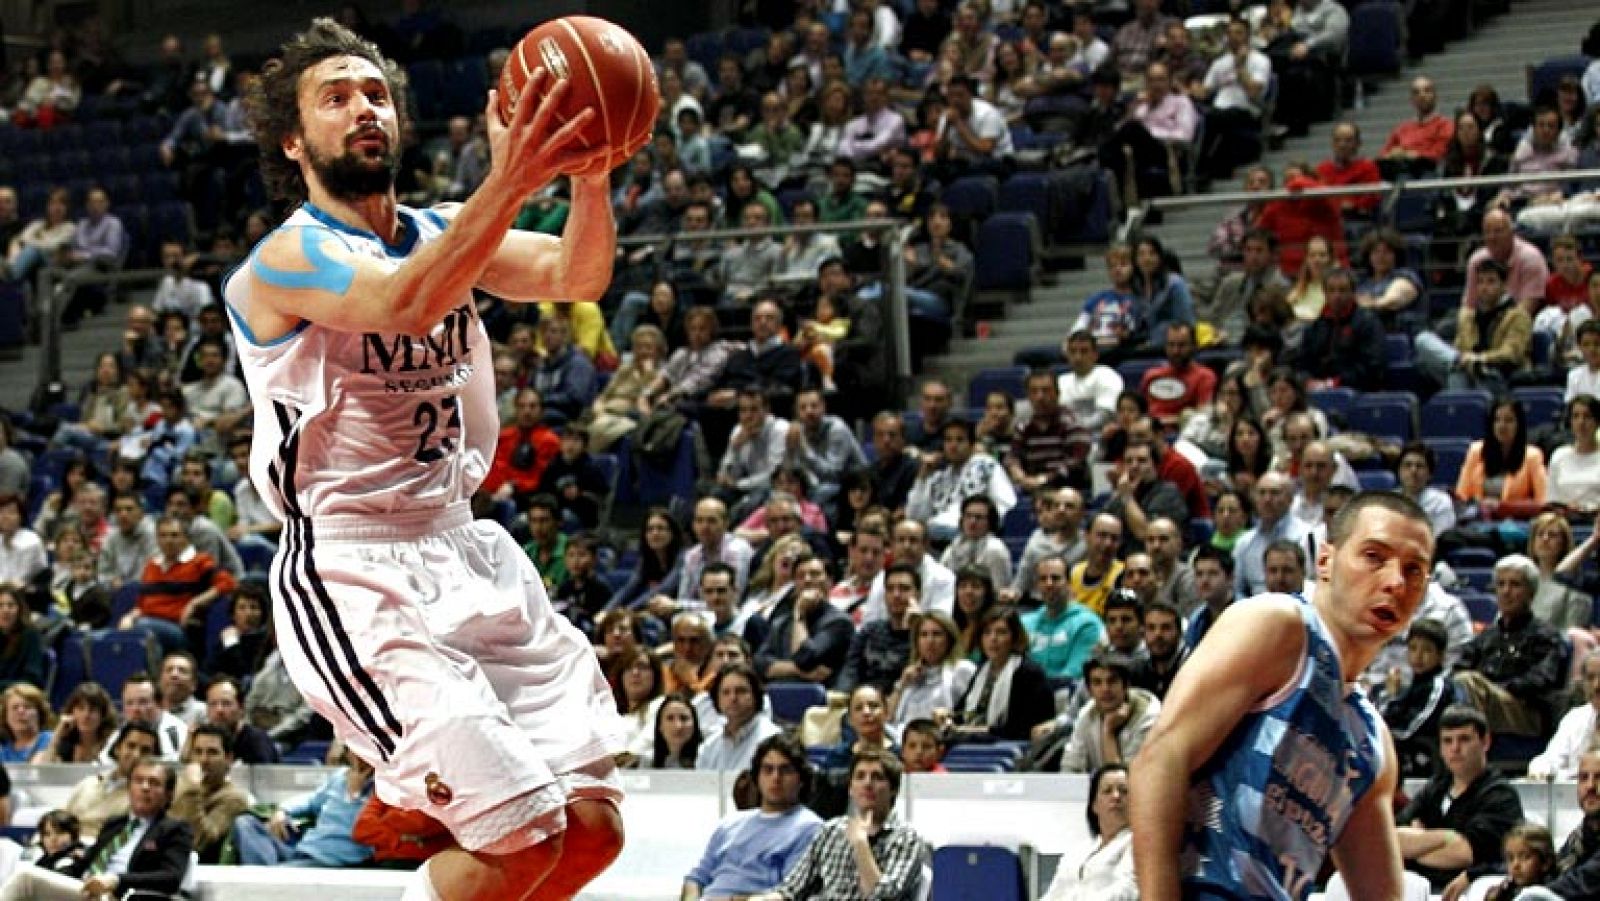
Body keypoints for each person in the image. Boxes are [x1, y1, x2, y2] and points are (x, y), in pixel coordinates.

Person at [225, 19, 629, 898]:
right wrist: (514, 178)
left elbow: (579, 274)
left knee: (591, 832)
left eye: (375, 93)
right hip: (354, 566)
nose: (363, 107)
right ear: (294, 141)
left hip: (462, 542)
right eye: (335, 97)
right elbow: (406, 302)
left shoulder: (447, 229)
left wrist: (589, 174)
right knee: (518, 840)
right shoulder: (284, 259)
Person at [1131, 492, 1437, 899]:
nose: (1396, 581)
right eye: (1374, 557)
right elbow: (1159, 758)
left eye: (1413, 570)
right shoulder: (1279, 625)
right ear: (1326, 561)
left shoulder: (1372, 744)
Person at [0, 757, 192, 901]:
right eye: (138, 781)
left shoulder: (174, 829)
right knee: (30, 876)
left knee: (25, 881)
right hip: (84, 888)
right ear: (129, 787)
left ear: (168, 794)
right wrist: (55, 872)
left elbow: (171, 877)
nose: (144, 787)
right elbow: (85, 863)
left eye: (154, 783)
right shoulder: (115, 824)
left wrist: (117, 879)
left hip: (121, 895)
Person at [748, 749, 928, 901]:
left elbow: (882, 897)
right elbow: (791, 890)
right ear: (850, 788)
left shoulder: (907, 839)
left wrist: (860, 844)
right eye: (860, 777)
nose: (867, 784)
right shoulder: (831, 830)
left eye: (877, 777)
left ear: (893, 789)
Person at [1396, 705, 1524, 889]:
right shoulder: (1435, 787)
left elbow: (1465, 854)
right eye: (1447, 741)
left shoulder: (1500, 795)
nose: (1455, 748)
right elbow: (1394, 839)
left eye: (1464, 739)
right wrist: (1449, 837)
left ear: (1485, 742)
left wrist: (1416, 844)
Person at [682, 734, 823, 900]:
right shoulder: (730, 824)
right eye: (768, 769)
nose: (775, 778)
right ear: (757, 776)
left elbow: (788, 892)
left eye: (785, 770)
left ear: (801, 779)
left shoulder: (810, 828)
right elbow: (696, 878)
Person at [231, 746, 375, 867]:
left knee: (267, 875)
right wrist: (282, 811)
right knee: (245, 823)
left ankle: (268, 881)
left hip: (330, 861)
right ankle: (269, 879)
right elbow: (311, 801)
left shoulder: (386, 787)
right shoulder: (340, 776)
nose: (359, 756)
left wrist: (353, 796)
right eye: (354, 749)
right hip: (304, 850)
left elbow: (362, 832)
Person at [1038, 763, 1137, 900]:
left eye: (1124, 791)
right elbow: (1053, 895)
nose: (1116, 796)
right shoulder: (1078, 851)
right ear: (1094, 805)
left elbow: (1127, 890)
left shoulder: (1137, 843)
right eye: (1107, 791)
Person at [1061, 652, 1161, 775]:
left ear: (1126, 685)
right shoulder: (1087, 713)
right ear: (1089, 690)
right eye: (1097, 683)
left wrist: (1108, 732)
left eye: (1112, 681)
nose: (1105, 689)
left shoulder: (1149, 718)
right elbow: (1070, 767)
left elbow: (1125, 781)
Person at [1381, 618, 1456, 779]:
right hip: (1404, 752)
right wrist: (1390, 696)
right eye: (1413, 648)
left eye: (1427, 650)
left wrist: (1382, 737)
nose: (1418, 656)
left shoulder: (1439, 686)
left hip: (1428, 759)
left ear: (1441, 655)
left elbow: (1411, 729)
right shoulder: (1410, 687)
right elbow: (1384, 720)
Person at [168, 724, 250, 863]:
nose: (203, 760)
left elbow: (197, 843)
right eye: (198, 752)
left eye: (212, 752)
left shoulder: (234, 798)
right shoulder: (177, 786)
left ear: (229, 758)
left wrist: (192, 791)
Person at [1529, 650, 1600, 781]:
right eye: (1590, 678)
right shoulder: (1575, 718)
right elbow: (1548, 761)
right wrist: (1541, 769)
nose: (1596, 685)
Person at [696, 663, 781, 772]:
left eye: (741, 691)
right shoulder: (709, 746)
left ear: (756, 696)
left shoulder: (773, 739)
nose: (733, 698)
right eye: (726, 692)